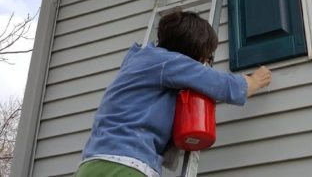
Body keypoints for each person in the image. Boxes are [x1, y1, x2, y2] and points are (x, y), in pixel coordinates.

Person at [74, 11, 272, 177]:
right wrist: (252, 82)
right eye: (206, 57)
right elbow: (217, 83)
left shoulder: (141, 61)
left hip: (91, 164)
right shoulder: (168, 62)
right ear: (192, 54)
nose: (205, 62)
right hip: (126, 165)